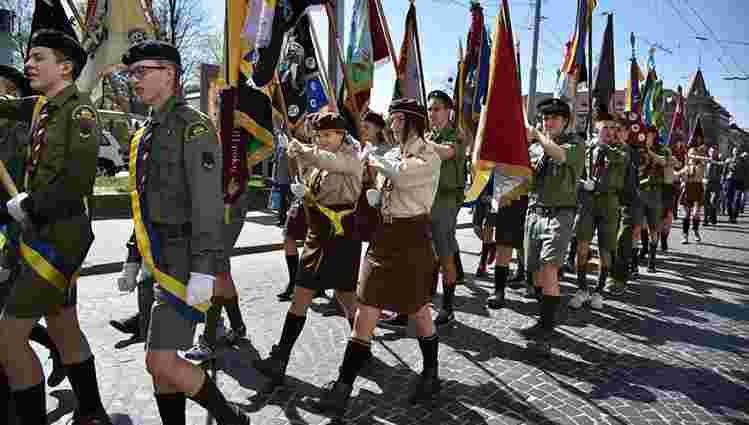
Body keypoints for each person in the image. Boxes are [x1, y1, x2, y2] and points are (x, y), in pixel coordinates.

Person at [123, 40, 250, 424]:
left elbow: (208, 205)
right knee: (160, 367)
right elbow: (141, 201)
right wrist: (133, 255)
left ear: (169, 74)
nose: (134, 79)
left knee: (159, 360)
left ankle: (231, 418)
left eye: (142, 71)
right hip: (157, 257)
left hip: (184, 259)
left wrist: (204, 269)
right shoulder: (146, 132)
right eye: (131, 73)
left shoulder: (192, 127)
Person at [0, 29, 111, 425]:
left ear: (65, 68)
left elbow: (76, 181)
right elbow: (5, 106)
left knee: (8, 339)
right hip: (41, 233)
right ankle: (92, 412)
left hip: (59, 238)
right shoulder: (40, 107)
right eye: (29, 57)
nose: (28, 64)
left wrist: (28, 203)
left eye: (38, 57)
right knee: (63, 327)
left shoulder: (80, 112)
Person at [308, 98, 441, 419]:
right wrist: (375, 193)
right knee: (365, 310)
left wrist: (373, 159)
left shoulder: (429, 155)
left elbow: (403, 177)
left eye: (395, 119)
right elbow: (386, 184)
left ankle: (431, 374)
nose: (390, 126)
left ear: (410, 121)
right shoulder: (392, 154)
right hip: (384, 237)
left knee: (419, 310)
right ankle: (342, 389)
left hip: (412, 237)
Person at [253, 112, 363, 389]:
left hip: (341, 236)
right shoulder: (322, 157)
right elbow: (312, 176)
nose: (322, 140)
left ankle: (362, 345)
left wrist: (303, 150)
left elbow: (328, 161)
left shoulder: (351, 156)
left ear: (341, 135)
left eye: (328, 135)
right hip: (318, 234)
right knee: (305, 293)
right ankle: (281, 358)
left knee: (345, 296)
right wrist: (298, 163)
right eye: (319, 135)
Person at [517, 98, 584, 352]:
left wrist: (537, 136)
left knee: (548, 268)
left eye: (554, 118)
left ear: (565, 121)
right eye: (545, 118)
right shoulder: (536, 146)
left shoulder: (575, 143)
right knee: (532, 272)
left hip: (559, 214)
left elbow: (560, 155)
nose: (548, 122)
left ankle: (546, 328)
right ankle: (543, 314)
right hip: (535, 211)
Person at [568, 111, 625, 310]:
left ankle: (599, 291)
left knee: (605, 249)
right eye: (605, 127)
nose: (609, 131)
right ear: (596, 128)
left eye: (612, 128)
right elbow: (574, 173)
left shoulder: (621, 150)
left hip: (609, 204)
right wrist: (582, 184)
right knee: (581, 245)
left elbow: (619, 163)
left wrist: (604, 147)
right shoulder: (585, 149)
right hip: (587, 203)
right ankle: (582, 288)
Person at [183, 190, 249, 362]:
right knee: (222, 270)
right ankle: (237, 326)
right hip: (222, 203)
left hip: (226, 204)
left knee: (216, 266)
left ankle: (209, 339)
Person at [423, 90, 466, 326]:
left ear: (448, 110)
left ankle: (448, 308)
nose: (432, 113)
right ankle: (425, 298)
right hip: (425, 198)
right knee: (426, 254)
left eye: (437, 108)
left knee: (444, 254)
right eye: (430, 109)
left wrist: (421, 143)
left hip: (445, 201)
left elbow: (446, 153)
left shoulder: (455, 135)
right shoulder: (428, 135)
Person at [638, 126, 670, 273]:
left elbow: (663, 161)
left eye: (650, 134)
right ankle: (643, 250)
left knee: (654, 228)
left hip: (655, 192)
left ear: (654, 135)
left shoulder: (662, 149)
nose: (647, 136)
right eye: (645, 134)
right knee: (640, 226)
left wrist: (649, 151)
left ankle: (652, 261)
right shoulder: (638, 148)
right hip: (639, 191)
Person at [676, 123, 708, 244]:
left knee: (696, 214)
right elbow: (687, 162)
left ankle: (695, 231)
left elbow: (704, 163)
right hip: (689, 186)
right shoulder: (690, 152)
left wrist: (701, 157)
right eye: (697, 138)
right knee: (687, 214)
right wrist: (679, 175)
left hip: (698, 186)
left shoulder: (703, 155)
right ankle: (685, 235)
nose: (698, 140)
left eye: (700, 138)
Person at [724, 147, 748, 224]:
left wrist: (746, 183)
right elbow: (724, 171)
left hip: (739, 181)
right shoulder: (728, 160)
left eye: (737, 151)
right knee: (729, 199)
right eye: (735, 151)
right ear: (732, 152)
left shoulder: (743, 161)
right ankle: (730, 215)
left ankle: (734, 216)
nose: (736, 153)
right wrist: (723, 181)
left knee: (737, 199)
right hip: (730, 180)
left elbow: (746, 172)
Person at [703, 145, 723, 226]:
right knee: (706, 202)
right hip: (707, 183)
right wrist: (703, 178)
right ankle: (705, 219)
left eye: (714, 152)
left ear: (717, 152)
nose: (712, 153)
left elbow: (722, 170)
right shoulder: (706, 160)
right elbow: (702, 170)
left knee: (713, 201)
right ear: (709, 152)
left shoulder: (720, 161)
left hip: (716, 183)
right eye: (711, 151)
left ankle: (712, 217)